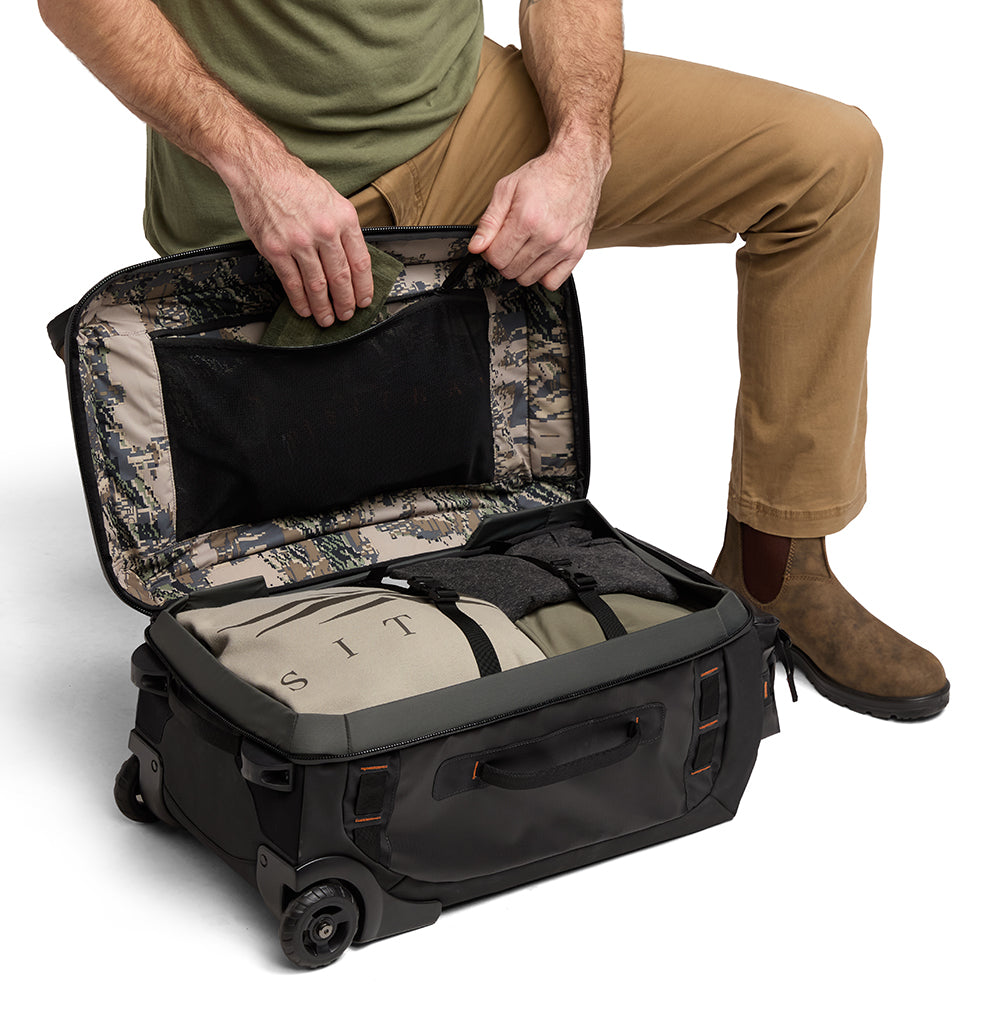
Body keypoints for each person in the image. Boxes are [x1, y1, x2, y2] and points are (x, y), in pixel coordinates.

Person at [37, 0, 949, 719]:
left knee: (828, 162)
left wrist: (580, 150)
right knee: (320, 536)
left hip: (463, 110)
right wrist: (255, 169)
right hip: (275, 177)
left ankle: (779, 572)